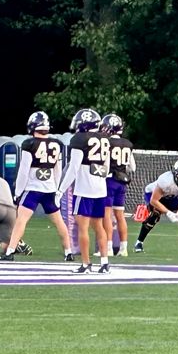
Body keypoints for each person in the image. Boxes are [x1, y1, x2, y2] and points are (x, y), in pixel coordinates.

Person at [0, 111, 72, 262]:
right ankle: (68, 252)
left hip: (33, 189)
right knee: (59, 221)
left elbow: (24, 170)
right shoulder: (56, 144)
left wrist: (18, 192)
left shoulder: (29, 144)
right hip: (50, 189)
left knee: (21, 220)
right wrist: (57, 189)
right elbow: (58, 169)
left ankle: (10, 251)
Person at [57, 108, 111, 273]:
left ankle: (86, 264)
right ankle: (104, 263)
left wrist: (60, 191)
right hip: (101, 189)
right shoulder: (105, 139)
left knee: (83, 227)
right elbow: (106, 168)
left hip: (84, 190)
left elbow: (73, 169)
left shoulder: (79, 139)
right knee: (99, 226)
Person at [133, 159, 178, 254]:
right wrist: (168, 213)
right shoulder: (165, 180)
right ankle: (139, 243)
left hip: (173, 196)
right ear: (175, 174)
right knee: (155, 215)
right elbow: (154, 200)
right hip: (154, 195)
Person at [101, 114, 136, 256]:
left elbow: (106, 165)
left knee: (107, 215)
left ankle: (108, 247)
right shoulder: (127, 144)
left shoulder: (107, 142)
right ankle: (123, 248)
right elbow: (132, 168)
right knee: (120, 216)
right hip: (122, 182)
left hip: (109, 180)